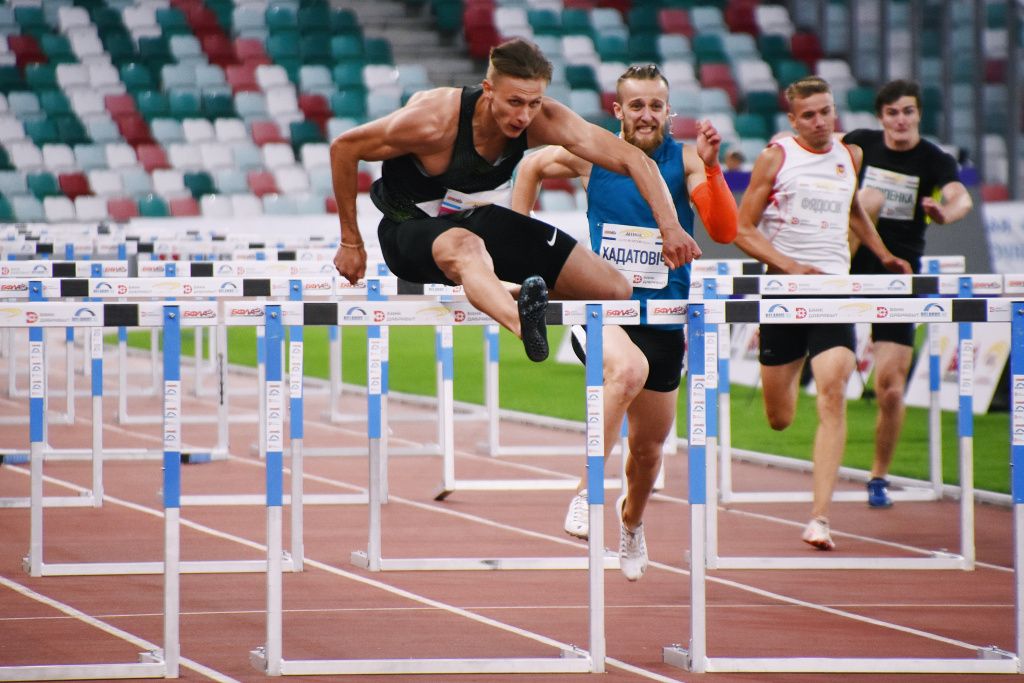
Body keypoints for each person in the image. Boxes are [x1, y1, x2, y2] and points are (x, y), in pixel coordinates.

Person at [329, 38, 703, 363]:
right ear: (487, 90)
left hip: (474, 216)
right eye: (514, 102)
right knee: (467, 247)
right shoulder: (433, 120)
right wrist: (351, 241)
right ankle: (524, 326)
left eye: (534, 103)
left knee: (612, 287)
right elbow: (345, 148)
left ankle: (505, 292)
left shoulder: (543, 119)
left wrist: (671, 229)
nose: (524, 116)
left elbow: (633, 159)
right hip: (407, 228)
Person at [511, 64, 738, 579]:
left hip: (663, 317)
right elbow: (530, 167)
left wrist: (714, 167)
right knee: (626, 372)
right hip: (603, 309)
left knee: (649, 452)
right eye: (635, 105)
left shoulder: (685, 161)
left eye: (655, 105)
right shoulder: (596, 156)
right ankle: (587, 488)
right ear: (618, 110)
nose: (646, 115)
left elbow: (724, 230)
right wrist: (516, 246)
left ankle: (631, 523)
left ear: (668, 110)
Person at [732, 76, 912, 551]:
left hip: (833, 289)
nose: (820, 122)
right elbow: (740, 228)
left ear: (836, 112)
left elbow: (852, 208)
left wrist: (883, 252)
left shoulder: (849, 156)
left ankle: (820, 518)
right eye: (809, 115)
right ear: (793, 120)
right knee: (779, 417)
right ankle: (784, 379)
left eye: (826, 111)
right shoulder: (777, 157)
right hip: (784, 292)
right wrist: (791, 267)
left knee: (833, 389)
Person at [842, 79, 973, 508]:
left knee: (892, 389)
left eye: (909, 112)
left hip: (898, 275)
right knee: (870, 196)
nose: (901, 120)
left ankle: (878, 476)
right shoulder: (861, 144)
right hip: (847, 261)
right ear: (881, 118)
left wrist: (944, 212)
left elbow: (960, 198)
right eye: (893, 112)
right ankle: (827, 279)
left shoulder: (934, 159)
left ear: (918, 116)